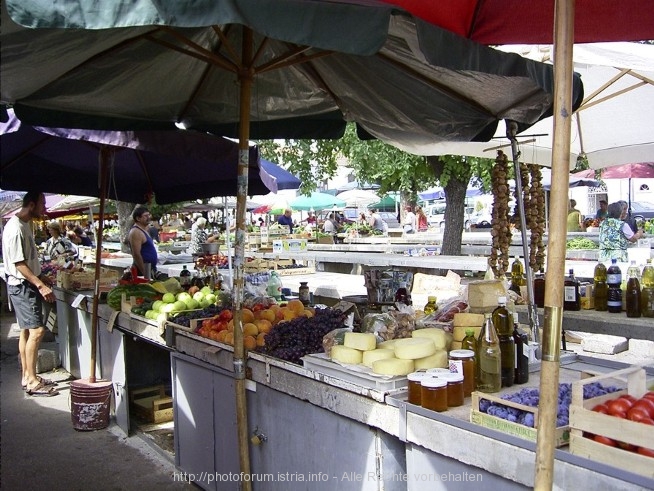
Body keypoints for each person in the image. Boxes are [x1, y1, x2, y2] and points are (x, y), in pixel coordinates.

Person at [1, 192, 59, 396]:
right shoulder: (16, 229)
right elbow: (19, 265)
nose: (45, 208)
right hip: (22, 285)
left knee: (26, 331)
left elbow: (28, 260)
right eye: (43, 204)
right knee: (37, 331)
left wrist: (41, 275)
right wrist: (40, 285)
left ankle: (28, 375)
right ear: (32, 205)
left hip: (24, 284)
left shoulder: (23, 224)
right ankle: (33, 381)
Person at [128, 205, 158, 278]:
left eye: (149, 215)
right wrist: (145, 273)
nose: (149, 217)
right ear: (138, 218)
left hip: (149, 268)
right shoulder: (136, 232)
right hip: (141, 271)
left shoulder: (144, 229)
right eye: (145, 216)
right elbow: (136, 254)